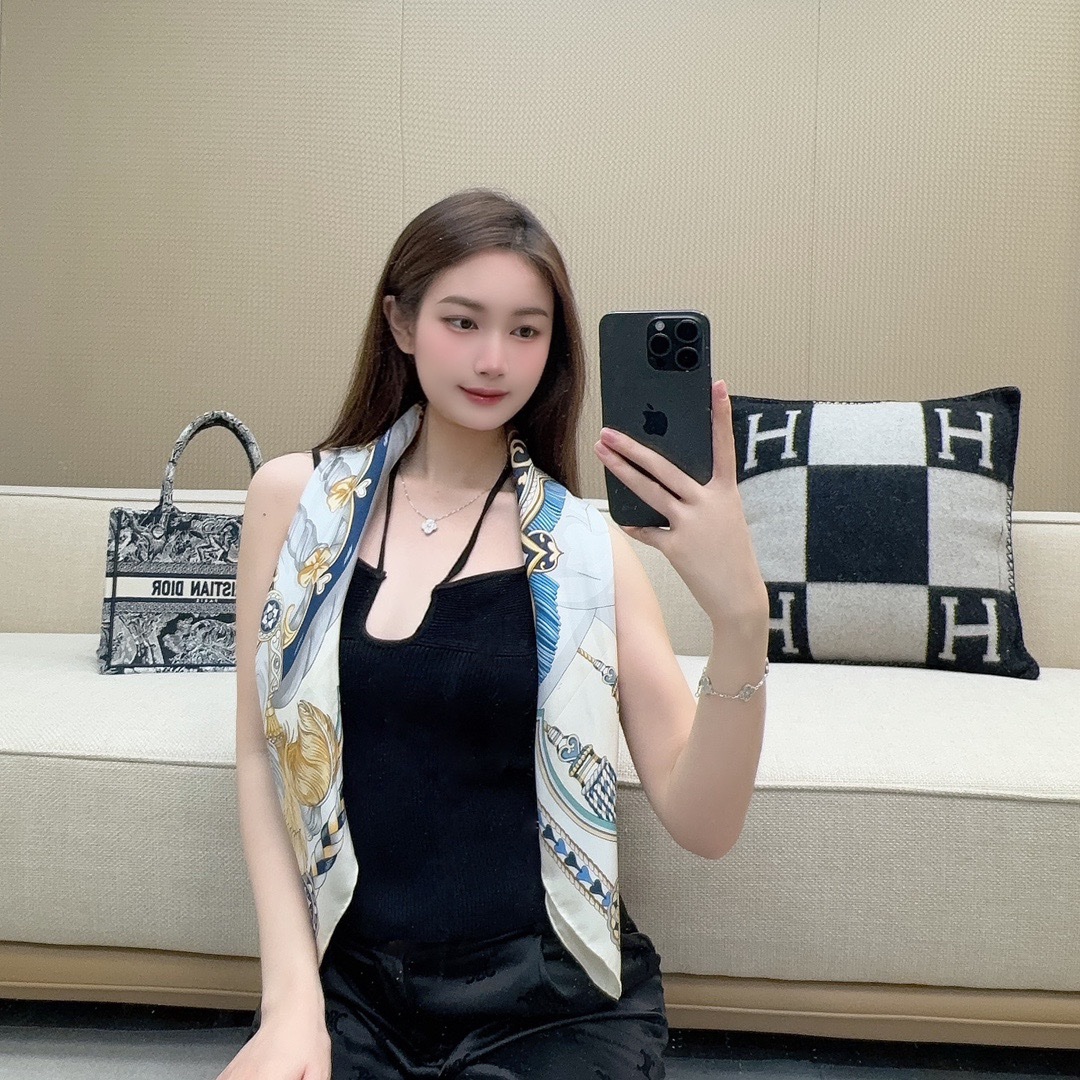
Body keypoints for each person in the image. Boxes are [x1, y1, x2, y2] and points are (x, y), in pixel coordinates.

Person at [217, 189, 769, 1080]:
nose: (492, 359)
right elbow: (260, 756)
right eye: (462, 321)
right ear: (400, 323)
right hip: (350, 988)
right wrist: (290, 1005)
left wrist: (742, 620)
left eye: (525, 331)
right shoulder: (293, 503)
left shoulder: (586, 550)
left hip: (547, 1002)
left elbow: (704, 824)